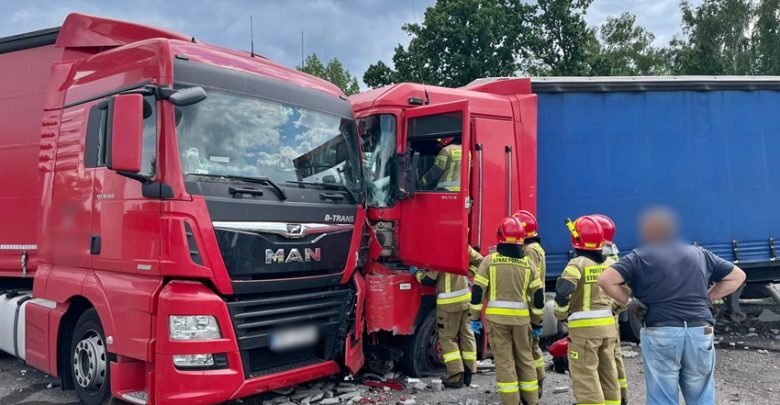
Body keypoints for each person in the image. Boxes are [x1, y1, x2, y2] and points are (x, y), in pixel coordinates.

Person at [598, 207, 746, 405]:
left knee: (662, 397)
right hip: (699, 330)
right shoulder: (700, 254)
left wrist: (631, 303)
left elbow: (606, 279)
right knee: (701, 394)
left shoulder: (639, 256)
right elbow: (738, 276)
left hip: (661, 330)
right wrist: (708, 298)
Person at [470, 216, 545, 405]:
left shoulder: (489, 261)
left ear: (499, 237)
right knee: (525, 358)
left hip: (497, 322)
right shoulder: (528, 264)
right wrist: (537, 322)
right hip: (522, 322)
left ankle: (511, 401)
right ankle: (531, 400)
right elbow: (538, 297)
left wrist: (475, 318)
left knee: (505, 362)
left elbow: (478, 292)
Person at [555, 216, 621, 405]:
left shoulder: (577, 264)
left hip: (584, 333)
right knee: (608, 373)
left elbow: (562, 292)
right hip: (608, 329)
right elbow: (626, 292)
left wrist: (560, 314)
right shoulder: (611, 264)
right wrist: (614, 310)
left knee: (586, 376)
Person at [411, 246, 479, 388]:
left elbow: (428, 279)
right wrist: (467, 273)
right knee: (466, 334)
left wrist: (417, 273)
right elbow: (480, 261)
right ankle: (469, 372)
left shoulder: (440, 249)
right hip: (465, 299)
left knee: (447, 338)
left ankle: (455, 376)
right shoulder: (463, 246)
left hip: (449, 303)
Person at [591, 214, 629, 404]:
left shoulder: (603, 253)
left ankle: (616, 397)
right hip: (609, 312)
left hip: (605, 313)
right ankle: (619, 396)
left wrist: (614, 309)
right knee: (614, 357)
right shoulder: (612, 250)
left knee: (609, 359)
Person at [513, 209, 546, 394]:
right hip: (533, 304)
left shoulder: (530, 251)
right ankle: (538, 380)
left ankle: (536, 383)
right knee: (533, 347)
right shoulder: (536, 248)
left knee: (530, 349)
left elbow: (528, 279)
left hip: (529, 305)